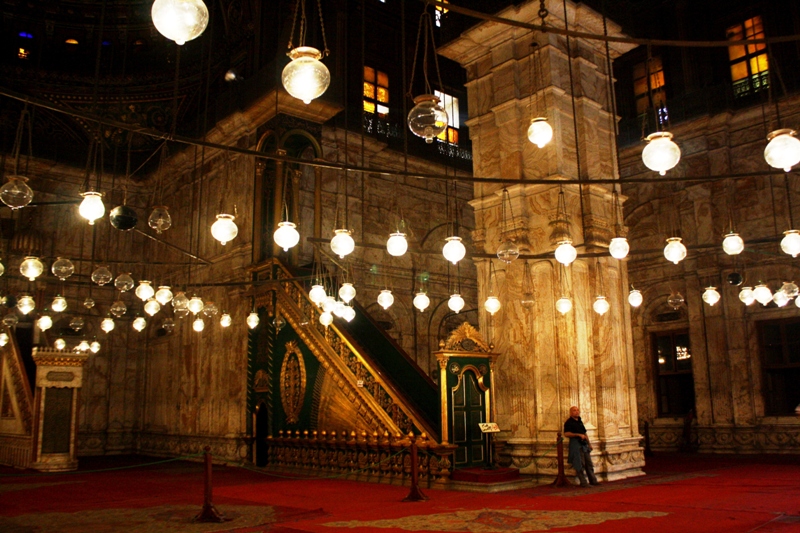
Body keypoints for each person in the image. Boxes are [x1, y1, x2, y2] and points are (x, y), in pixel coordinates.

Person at [563, 406, 599, 487]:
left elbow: (585, 433)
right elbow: (566, 433)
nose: (576, 412)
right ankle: (583, 482)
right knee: (580, 463)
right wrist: (577, 435)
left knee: (588, 463)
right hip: (576, 444)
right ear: (571, 412)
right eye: (574, 410)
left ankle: (593, 480)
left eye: (577, 410)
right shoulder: (569, 422)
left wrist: (589, 444)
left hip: (584, 444)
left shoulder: (579, 421)